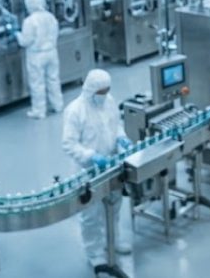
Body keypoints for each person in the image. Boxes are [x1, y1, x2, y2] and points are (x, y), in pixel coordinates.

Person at [62, 69, 133, 276]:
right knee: (90, 215)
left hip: (111, 165)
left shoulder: (108, 101)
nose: (105, 94)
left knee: (114, 205)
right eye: (102, 91)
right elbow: (68, 144)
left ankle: (114, 239)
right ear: (91, 90)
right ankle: (95, 254)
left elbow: (116, 125)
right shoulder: (75, 111)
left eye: (107, 90)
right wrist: (91, 156)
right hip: (88, 171)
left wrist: (122, 138)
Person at [16, 0, 63, 119]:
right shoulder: (50, 17)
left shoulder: (29, 21)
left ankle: (39, 111)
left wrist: (16, 34)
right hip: (52, 52)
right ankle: (57, 105)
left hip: (36, 56)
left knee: (37, 83)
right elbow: (56, 33)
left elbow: (26, 41)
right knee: (53, 80)